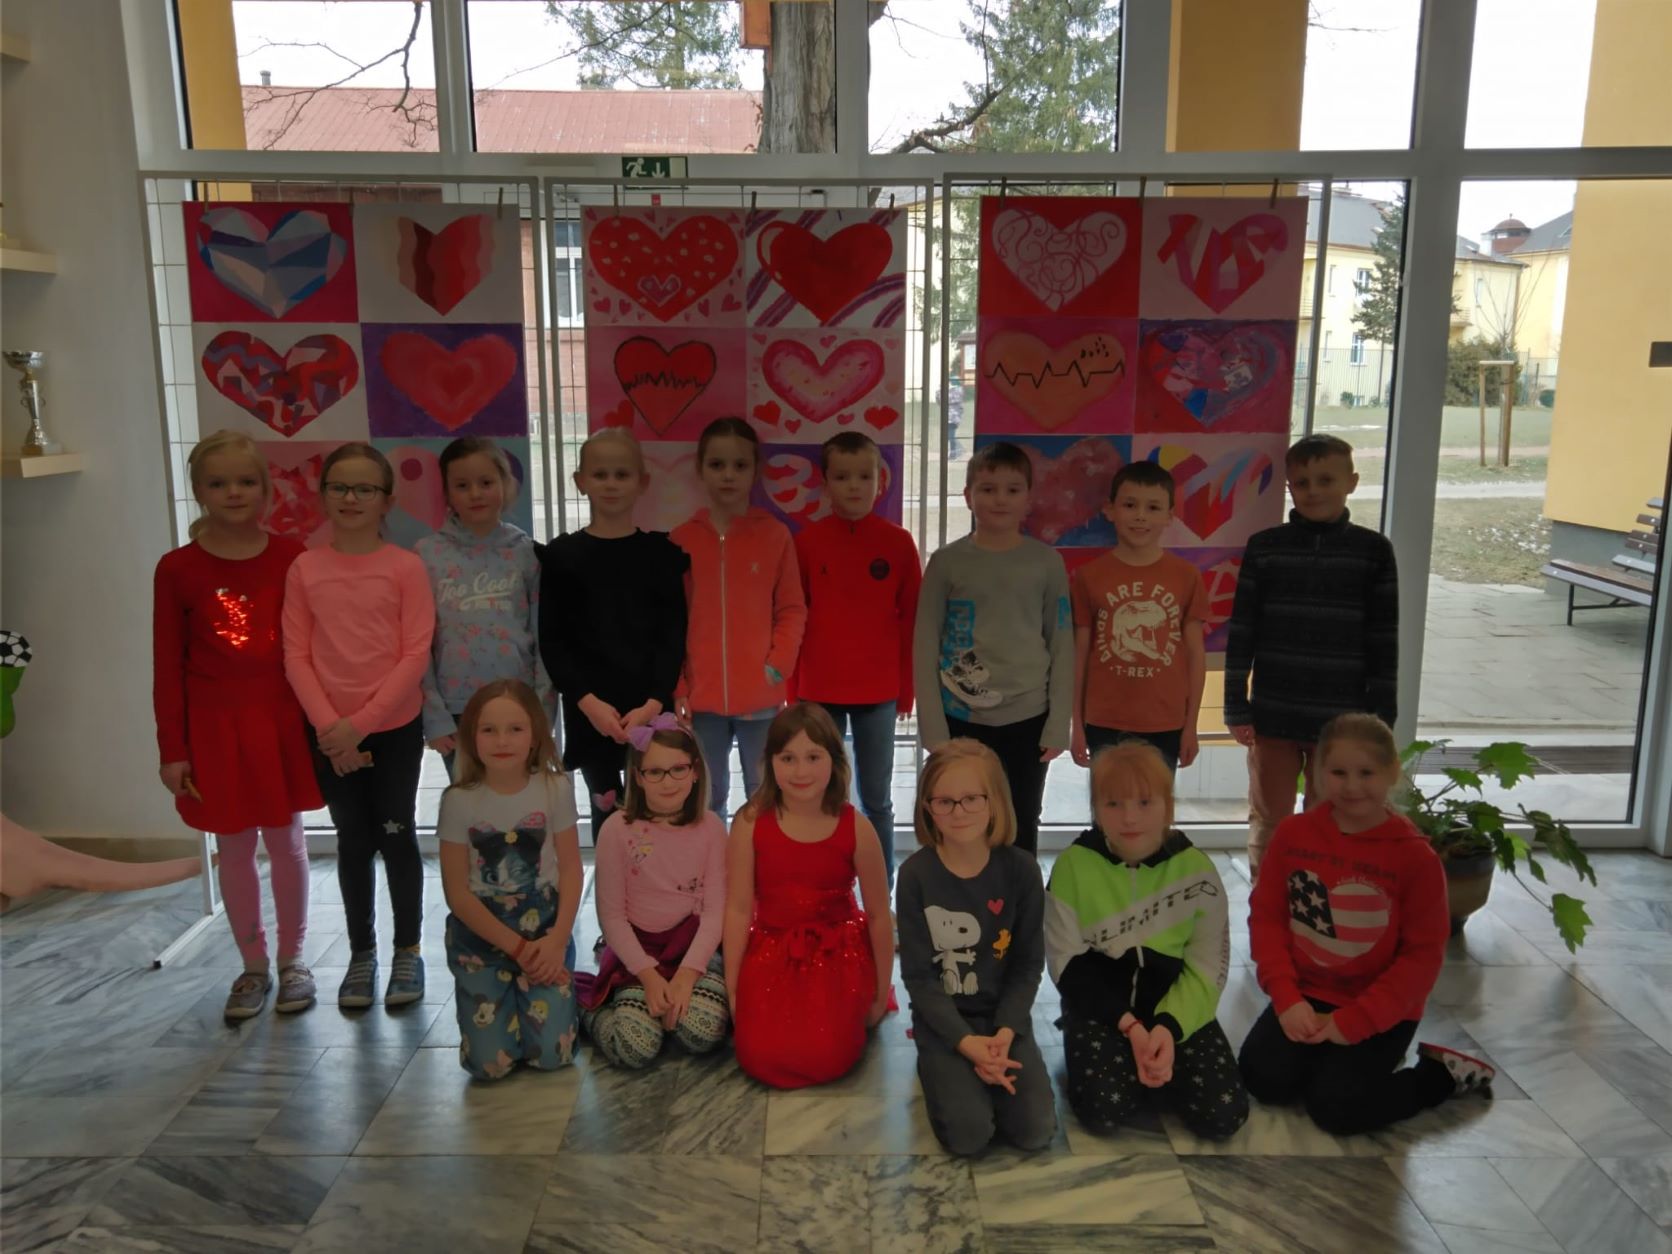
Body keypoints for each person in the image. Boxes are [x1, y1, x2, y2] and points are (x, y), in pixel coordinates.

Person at [1239, 713, 1495, 1134]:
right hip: (1307, 994)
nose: (1352, 786)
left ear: (1392, 773)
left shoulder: (1415, 858)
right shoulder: (1292, 835)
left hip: (1381, 1006)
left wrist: (1354, 1023)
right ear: (1318, 774)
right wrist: (1287, 999)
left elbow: (1420, 960)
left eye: (1366, 773)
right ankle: (1336, 1063)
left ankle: (1439, 1075)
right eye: (1338, 772)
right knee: (1261, 1079)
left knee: (1335, 1109)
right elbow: (1267, 918)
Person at [152, 430, 322, 1020]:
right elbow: (166, 665)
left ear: (266, 489)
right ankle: (253, 966)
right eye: (218, 483)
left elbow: (313, 648)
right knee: (234, 844)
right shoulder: (177, 568)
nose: (233, 492)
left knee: (287, 839)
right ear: (198, 490)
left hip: (280, 719)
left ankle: (293, 960)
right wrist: (172, 748)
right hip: (214, 727)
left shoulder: (292, 557)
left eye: (246, 481)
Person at [283, 442, 435, 1009]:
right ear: (323, 496)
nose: (351, 498)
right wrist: (332, 728)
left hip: (393, 728)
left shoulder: (405, 567)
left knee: (397, 834)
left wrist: (362, 726)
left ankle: (408, 951)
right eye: (340, 487)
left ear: (386, 500)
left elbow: (415, 653)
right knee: (352, 840)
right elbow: (296, 656)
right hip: (329, 733)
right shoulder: (306, 568)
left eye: (364, 488)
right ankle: (362, 954)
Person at [1046, 741, 1249, 1140]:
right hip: (1103, 1011)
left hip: (1177, 1011)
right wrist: (1132, 1029)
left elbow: (1207, 967)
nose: (1129, 818)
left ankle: (1153, 1068)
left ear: (1167, 806)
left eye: (1144, 802)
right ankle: (1130, 1066)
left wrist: (1167, 1030)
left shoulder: (1196, 871)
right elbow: (1066, 963)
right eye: (1113, 804)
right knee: (1104, 1112)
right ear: (1096, 809)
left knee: (1223, 1116)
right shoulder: (1073, 866)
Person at [1223, 433, 1398, 877]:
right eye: (1302, 483)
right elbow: (1242, 632)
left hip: (1339, 723)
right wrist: (1235, 704)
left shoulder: (1373, 552)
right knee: (1270, 819)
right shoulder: (1265, 548)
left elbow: (1384, 639)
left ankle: (1320, 901)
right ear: (1289, 487)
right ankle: (1267, 900)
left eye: (1326, 480)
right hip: (1273, 716)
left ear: (1351, 482)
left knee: (1330, 820)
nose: (1313, 491)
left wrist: (1381, 719)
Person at [896, 739, 1056, 1156]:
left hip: (1004, 1019)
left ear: (994, 801)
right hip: (945, 1021)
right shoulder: (914, 876)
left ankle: (982, 1071)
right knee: (969, 1136)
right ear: (928, 807)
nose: (959, 811)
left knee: (1035, 1130)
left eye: (971, 799)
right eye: (944, 801)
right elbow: (919, 977)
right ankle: (941, 1068)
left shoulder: (1022, 871)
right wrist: (966, 1044)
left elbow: (1028, 965)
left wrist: (1003, 1034)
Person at [914, 441, 1072, 855]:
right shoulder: (946, 563)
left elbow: (1062, 646)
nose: (1000, 499)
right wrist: (934, 729)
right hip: (960, 717)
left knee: (1021, 819)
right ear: (968, 496)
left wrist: (1059, 723)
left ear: (1029, 499)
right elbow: (925, 645)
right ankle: (960, 892)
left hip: (1029, 718)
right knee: (960, 822)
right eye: (988, 489)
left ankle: (1020, 896)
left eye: (1012, 489)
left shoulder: (1046, 563)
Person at [724, 702, 894, 1088]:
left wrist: (880, 992)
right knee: (759, 1053)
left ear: (834, 760)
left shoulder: (857, 827)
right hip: (771, 950)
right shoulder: (749, 823)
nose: (801, 772)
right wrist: (733, 989)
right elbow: (737, 910)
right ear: (770, 762)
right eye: (788, 758)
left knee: (826, 1052)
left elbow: (879, 915)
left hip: (839, 953)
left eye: (813, 757)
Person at [540, 429, 688, 842]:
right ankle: (613, 887)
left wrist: (653, 702)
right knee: (607, 817)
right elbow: (553, 640)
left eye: (622, 474)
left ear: (642, 482)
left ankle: (662, 886)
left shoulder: (661, 555)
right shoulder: (562, 556)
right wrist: (587, 703)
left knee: (661, 812)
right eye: (600, 474)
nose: (610, 484)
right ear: (580, 481)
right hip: (591, 714)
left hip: (650, 708)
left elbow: (673, 635)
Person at [438, 680, 582, 1081]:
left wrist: (557, 942)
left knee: (553, 1054)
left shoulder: (555, 788)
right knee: (490, 1064)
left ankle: (570, 1001)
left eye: (515, 729)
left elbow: (572, 869)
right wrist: (518, 949)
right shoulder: (458, 801)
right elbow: (457, 894)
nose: (502, 740)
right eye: (489, 730)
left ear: (535, 735)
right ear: (472, 737)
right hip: (482, 938)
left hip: (544, 931)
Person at [792, 432, 921, 877]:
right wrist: (794, 690)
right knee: (822, 794)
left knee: (877, 798)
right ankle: (826, 881)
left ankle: (881, 889)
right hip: (819, 689)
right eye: (843, 477)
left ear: (880, 481)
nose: (854, 486)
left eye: (864, 476)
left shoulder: (898, 543)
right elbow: (793, 617)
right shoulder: (807, 543)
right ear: (825, 483)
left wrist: (906, 690)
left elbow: (912, 623)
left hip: (879, 691)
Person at [576, 715, 729, 1068]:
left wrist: (687, 976)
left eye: (678, 769)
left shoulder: (711, 829)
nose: (668, 781)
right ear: (638, 777)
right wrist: (647, 975)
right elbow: (612, 917)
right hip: (637, 955)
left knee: (703, 1031)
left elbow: (714, 914)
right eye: (655, 772)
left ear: (695, 771)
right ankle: (587, 1009)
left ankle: (665, 1012)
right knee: (634, 1047)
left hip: (692, 951)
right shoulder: (616, 829)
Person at [673, 418, 806, 821]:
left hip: (760, 697)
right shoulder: (681, 539)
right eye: (717, 465)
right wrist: (679, 686)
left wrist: (777, 665)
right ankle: (713, 860)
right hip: (701, 700)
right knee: (707, 795)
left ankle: (760, 860)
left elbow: (791, 608)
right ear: (700, 469)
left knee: (763, 793)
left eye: (739, 465)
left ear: (756, 470)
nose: (728, 475)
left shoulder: (774, 535)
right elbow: (669, 622)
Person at [416, 437, 552, 781]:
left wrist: (542, 710)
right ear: (447, 493)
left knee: (523, 802)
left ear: (505, 485)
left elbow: (544, 635)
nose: (475, 494)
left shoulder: (527, 553)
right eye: (462, 485)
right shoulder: (426, 556)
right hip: (456, 709)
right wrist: (434, 716)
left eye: (486, 482)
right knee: (471, 803)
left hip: (519, 703)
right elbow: (418, 644)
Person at [1069, 462, 1207, 774]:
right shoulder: (1089, 577)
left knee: (1156, 804)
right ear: (1110, 510)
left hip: (1166, 721)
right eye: (1130, 505)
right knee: (1108, 804)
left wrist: (1191, 726)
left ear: (1169, 515)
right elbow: (1079, 654)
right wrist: (1076, 724)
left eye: (1153, 507)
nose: (1140, 516)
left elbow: (1196, 655)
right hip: (1103, 720)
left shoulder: (1186, 576)